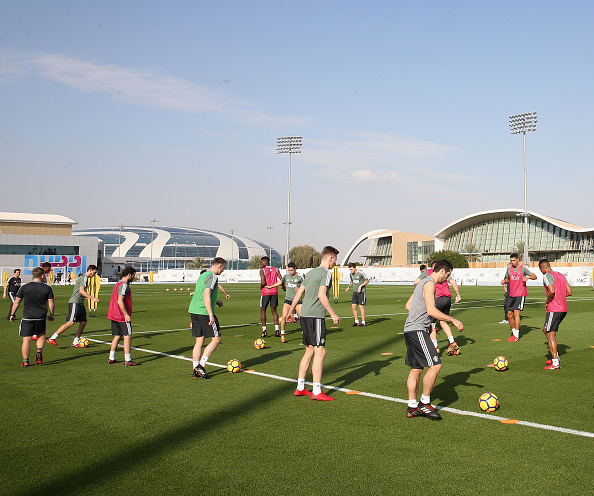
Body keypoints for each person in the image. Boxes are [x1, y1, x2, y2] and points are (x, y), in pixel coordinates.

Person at [403, 259, 464, 420]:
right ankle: (424, 403)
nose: (447, 279)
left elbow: (408, 305)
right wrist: (453, 319)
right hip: (417, 331)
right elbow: (431, 309)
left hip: (411, 329)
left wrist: (423, 318)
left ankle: (411, 407)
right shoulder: (430, 284)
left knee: (416, 369)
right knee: (436, 365)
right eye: (448, 275)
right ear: (442, 271)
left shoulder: (423, 282)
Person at [288, 246, 341, 401]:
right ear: (329, 258)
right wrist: (332, 313)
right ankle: (317, 391)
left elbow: (299, 293)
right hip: (316, 317)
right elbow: (321, 295)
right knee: (320, 352)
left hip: (304, 315)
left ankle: (300, 387)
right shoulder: (325, 273)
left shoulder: (310, 272)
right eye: (334, 260)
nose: (334, 264)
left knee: (309, 350)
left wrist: (291, 311)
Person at [189, 257, 227, 379]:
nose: (222, 271)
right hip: (204, 312)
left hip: (194, 310)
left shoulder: (203, 274)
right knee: (216, 339)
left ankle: (195, 370)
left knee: (199, 341)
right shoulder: (213, 276)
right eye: (223, 268)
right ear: (219, 266)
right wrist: (211, 314)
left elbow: (200, 293)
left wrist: (216, 301)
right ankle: (201, 365)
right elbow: (206, 295)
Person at [9, 267, 55, 367]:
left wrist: (12, 314)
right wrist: (51, 314)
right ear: (42, 276)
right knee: (41, 335)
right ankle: (39, 351)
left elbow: (17, 302)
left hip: (27, 317)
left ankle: (25, 361)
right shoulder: (47, 288)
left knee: (26, 339)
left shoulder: (24, 287)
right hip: (41, 317)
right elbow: (51, 302)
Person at [414, 260, 462, 355]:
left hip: (438, 299)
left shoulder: (428, 274)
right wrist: (458, 295)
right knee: (443, 321)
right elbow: (454, 283)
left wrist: (421, 292)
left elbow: (416, 282)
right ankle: (452, 342)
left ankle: (435, 347)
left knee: (431, 324)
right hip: (447, 298)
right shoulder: (445, 276)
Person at [46, 265, 100, 347]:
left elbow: (79, 290)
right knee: (71, 322)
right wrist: (92, 298)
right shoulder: (84, 278)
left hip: (80, 303)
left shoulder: (85, 278)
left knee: (83, 322)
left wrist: (84, 296)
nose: (94, 274)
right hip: (75, 302)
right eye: (94, 272)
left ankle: (75, 342)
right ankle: (52, 338)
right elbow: (81, 290)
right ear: (90, 270)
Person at [538, 259, 572, 370]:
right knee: (545, 329)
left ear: (542, 268)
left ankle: (555, 362)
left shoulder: (547, 275)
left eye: (541, 269)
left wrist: (547, 301)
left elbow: (551, 291)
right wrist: (560, 298)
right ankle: (555, 357)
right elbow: (569, 292)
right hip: (563, 309)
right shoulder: (561, 275)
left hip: (554, 309)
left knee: (550, 333)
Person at [107, 266, 139, 366]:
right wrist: (126, 315)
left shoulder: (118, 283)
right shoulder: (123, 285)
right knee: (128, 335)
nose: (134, 277)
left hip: (114, 314)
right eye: (133, 275)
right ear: (129, 275)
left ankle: (111, 358)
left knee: (117, 336)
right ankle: (128, 360)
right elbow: (120, 300)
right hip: (121, 315)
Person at [501, 253, 537, 342]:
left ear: (517, 260)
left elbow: (534, 276)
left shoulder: (523, 269)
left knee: (516, 314)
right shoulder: (509, 269)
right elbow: (508, 279)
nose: (512, 262)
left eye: (514, 260)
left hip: (520, 294)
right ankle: (514, 333)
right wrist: (504, 281)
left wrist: (528, 278)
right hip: (511, 294)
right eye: (511, 260)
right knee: (509, 314)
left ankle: (516, 336)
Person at [265, 261, 304, 343]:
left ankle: (304, 332)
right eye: (289, 270)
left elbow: (305, 287)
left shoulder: (300, 278)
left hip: (297, 300)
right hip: (288, 300)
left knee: (302, 317)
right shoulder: (286, 276)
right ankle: (282, 334)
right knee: (284, 317)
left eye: (292, 270)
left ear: (295, 269)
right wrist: (271, 286)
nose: (290, 272)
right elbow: (281, 282)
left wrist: (301, 291)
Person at [259, 256, 282, 338]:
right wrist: (283, 287)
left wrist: (261, 286)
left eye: (261, 262)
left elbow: (263, 282)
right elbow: (281, 280)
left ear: (265, 262)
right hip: (274, 292)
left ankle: (264, 331)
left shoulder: (262, 270)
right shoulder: (276, 269)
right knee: (274, 311)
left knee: (263, 310)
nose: (260, 264)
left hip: (265, 292)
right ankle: (277, 330)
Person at [345, 263, 369, 327]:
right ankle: (356, 322)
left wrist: (360, 286)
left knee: (361, 307)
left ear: (355, 267)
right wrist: (348, 287)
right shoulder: (351, 274)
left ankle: (363, 322)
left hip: (362, 292)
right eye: (350, 269)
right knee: (353, 306)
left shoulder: (361, 273)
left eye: (351, 269)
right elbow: (352, 281)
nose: (351, 270)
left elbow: (367, 280)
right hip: (355, 292)